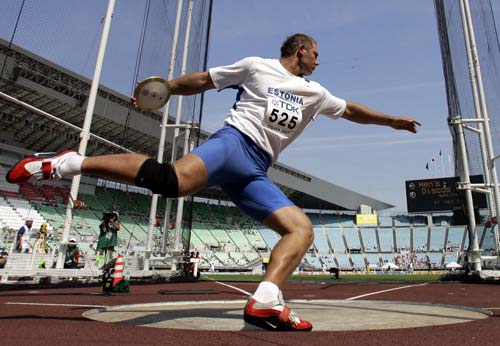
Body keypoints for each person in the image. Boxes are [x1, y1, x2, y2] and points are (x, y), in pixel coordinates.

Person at [6, 33, 420, 331]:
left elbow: (351, 111)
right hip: (234, 144)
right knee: (170, 181)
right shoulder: (257, 67)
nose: (317, 61)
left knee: (301, 229)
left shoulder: (315, 93)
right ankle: (68, 164)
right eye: (315, 55)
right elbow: (205, 80)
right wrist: (166, 87)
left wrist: (392, 121)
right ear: (301, 51)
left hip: (256, 168)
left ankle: (266, 300)